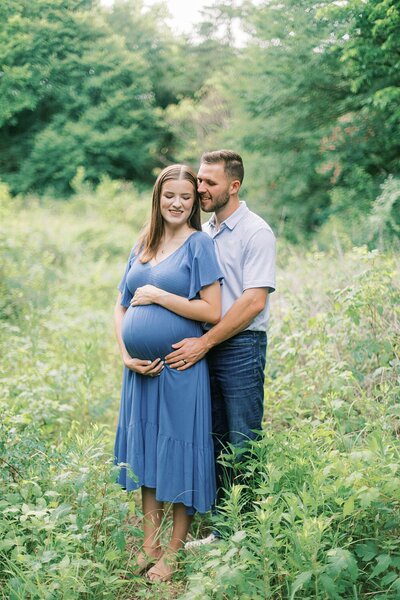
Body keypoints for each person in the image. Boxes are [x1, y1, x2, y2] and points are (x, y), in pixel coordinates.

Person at [113, 164, 223, 581]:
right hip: (141, 372)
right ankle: (149, 545)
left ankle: (173, 554)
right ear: (157, 199)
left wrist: (160, 295)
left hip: (180, 369)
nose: (177, 203)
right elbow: (121, 305)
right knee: (148, 456)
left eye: (186, 197)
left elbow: (211, 311)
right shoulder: (142, 243)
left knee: (179, 454)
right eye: (169, 196)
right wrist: (126, 352)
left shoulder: (199, 245)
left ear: (194, 202)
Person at [165, 150, 276, 545]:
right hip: (205, 345)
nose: (200, 188)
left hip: (241, 346)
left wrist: (204, 342)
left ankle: (245, 534)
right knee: (210, 435)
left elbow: (253, 301)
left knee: (242, 438)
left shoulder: (255, 232)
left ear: (234, 185)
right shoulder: (205, 231)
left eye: (210, 182)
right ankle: (220, 527)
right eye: (199, 179)